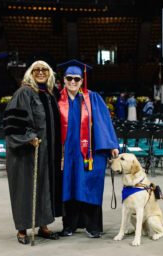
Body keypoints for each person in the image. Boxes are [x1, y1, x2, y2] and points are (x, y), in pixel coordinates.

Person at [57, 59, 119, 238]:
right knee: (69, 187)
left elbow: (103, 122)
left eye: (77, 79)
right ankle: (69, 225)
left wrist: (111, 146)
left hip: (89, 153)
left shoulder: (92, 98)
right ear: (64, 79)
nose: (73, 82)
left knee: (90, 186)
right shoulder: (57, 99)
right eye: (69, 78)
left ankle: (92, 226)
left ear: (82, 80)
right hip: (66, 154)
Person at [3, 60, 62, 245]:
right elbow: (13, 122)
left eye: (45, 69)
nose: (41, 72)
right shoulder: (24, 92)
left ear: (50, 73)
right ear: (30, 72)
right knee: (25, 189)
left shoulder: (49, 95)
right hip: (26, 152)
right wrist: (29, 137)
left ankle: (43, 226)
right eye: (37, 69)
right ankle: (22, 229)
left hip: (46, 152)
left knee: (44, 187)